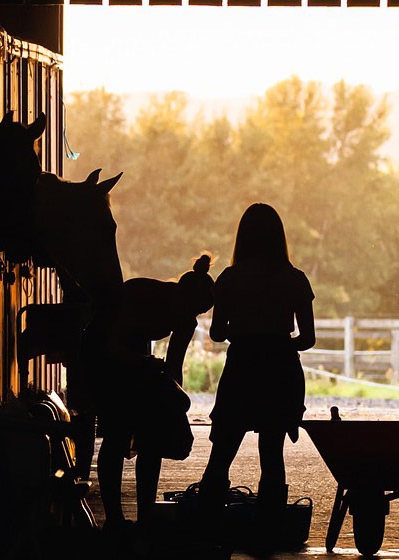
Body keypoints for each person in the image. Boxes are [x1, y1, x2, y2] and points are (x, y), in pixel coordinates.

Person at [196, 203, 316, 547]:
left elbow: (217, 333)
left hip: (243, 367)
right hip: (280, 368)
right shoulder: (295, 279)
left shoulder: (231, 279)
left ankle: (207, 532)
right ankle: (268, 535)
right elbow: (307, 339)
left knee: (222, 453)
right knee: (272, 454)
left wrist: (244, 332)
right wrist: (276, 339)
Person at [72, 254, 214, 532]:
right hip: (100, 355)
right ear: (179, 294)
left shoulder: (185, 318)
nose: (190, 317)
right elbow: (110, 347)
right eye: (189, 310)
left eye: (196, 314)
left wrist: (173, 405)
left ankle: (146, 517)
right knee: (116, 433)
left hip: (134, 359)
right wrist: (145, 364)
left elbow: (174, 367)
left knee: (152, 435)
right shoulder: (141, 294)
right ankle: (114, 519)